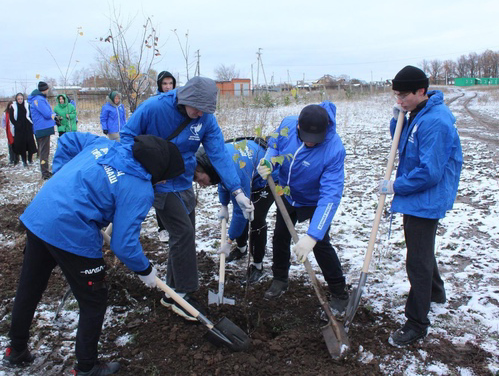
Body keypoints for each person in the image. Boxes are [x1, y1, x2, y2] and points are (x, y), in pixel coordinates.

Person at [3, 132, 185, 375]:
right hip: (71, 230)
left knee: (30, 286)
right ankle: (87, 367)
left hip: (41, 213)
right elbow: (123, 244)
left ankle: (16, 350)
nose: (164, 183)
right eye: (165, 179)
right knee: (93, 300)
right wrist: (145, 270)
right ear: (159, 171)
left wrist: (60, 176)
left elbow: (67, 140)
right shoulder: (139, 188)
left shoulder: (104, 145)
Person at [120, 76, 254, 321]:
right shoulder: (154, 108)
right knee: (182, 232)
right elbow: (127, 138)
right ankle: (183, 293)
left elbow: (219, 153)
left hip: (183, 180)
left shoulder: (205, 119)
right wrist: (144, 173)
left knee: (185, 234)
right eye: (196, 107)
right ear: (184, 98)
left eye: (205, 110)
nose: (199, 113)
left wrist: (237, 191)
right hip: (158, 182)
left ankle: (171, 291)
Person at [379, 65, 462, 346]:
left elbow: (430, 172)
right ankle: (436, 293)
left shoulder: (435, 121)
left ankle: (416, 323)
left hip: (426, 196)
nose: (399, 100)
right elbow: (401, 144)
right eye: (396, 96)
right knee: (422, 251)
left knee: (417, 260)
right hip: (417, 194)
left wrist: (395, 186)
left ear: (421, 91)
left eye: (403, 96)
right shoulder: (418, 113)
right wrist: (397, 120)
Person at [257, 102, 349, 314]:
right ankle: (280, 279)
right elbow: (275, 145)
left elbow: (330, 196)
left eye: (315, 140)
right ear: (298, 126)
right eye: (306, 137)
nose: (310, 143)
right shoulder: (288, 125)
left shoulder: (334, 148)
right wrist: (269, 161)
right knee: (280, 235)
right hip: (287, 194)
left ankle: (339, 293)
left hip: (314, 200)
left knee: (321, 244)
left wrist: (313, 235)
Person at [193, 138, 278, 284]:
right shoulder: (216, 159)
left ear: (206, 169)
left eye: (200, 180)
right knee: (242, 211)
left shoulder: (235, 168)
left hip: (266, 179)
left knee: (255, 217)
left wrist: (229, 240)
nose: (201, 185)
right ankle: (241, 248)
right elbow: (223, 180)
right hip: (248, 174)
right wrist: (224, 204)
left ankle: (257, 266)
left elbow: (240, 211)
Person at [155, 70, 177, 242]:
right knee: (160, 190)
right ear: (160, 86)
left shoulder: (178, 102)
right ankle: (162, 227)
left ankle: (174, 222)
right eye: (165, 84)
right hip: (159, 152)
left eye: (170, 83)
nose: (168, 87)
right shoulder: (155, 103)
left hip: (174, 151)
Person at [27, 82, 55, 179]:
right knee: (44, 152)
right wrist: (54, 116)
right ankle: (45, 173)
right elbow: (47, 114)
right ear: (44, 89)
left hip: (42, 128)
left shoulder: (38, 99)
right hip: (43, 128)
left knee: (44, 151)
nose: (48, 90)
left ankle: (45, 171)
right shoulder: (39, 100)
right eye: (47, 89)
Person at [9, 93, 37, 167]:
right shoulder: (13, 107)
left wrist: (31, 122)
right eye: (18, 99)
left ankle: (30, 159)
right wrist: (16, 124)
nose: (20, 100)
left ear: (23, 99)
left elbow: (30, 114)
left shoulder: (27, 105)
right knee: (22, 145)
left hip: (27, 126)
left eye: (21, 99)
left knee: (30, 143)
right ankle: (24, 161)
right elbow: (11, 117)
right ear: (16, 99)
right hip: (19, 128)